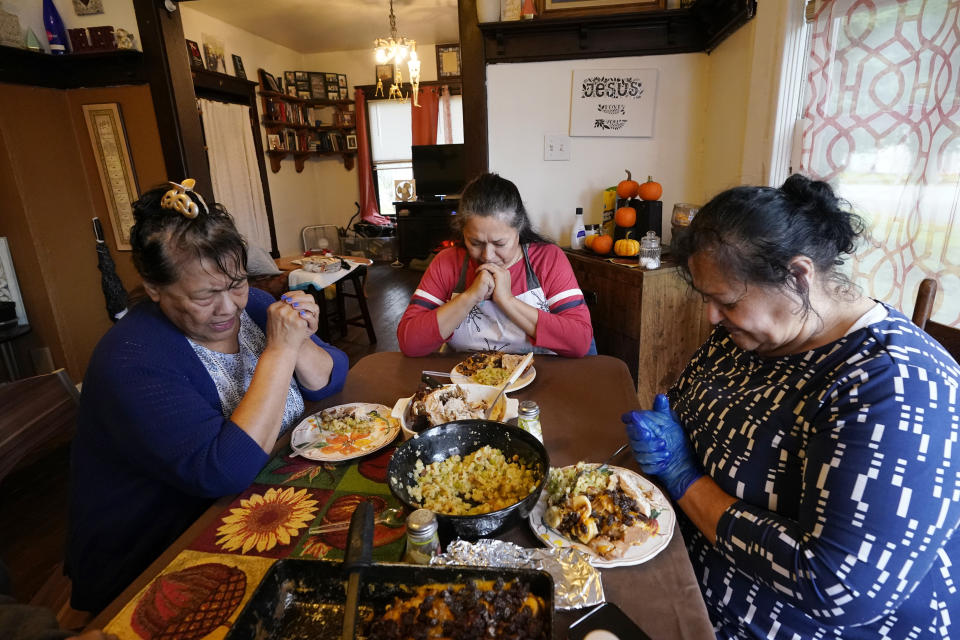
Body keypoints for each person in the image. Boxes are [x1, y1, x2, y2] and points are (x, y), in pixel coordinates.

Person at [622, 174, 960, 639]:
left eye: (726, 301)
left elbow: (835, 587)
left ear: (798, 276)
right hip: (680, 566)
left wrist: (685, 479)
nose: (711, 318)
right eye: (706, 299)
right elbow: (690, 405)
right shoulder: (752, 334)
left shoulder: (894, 385)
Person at [66, 179, 348, 614]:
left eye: (235, 283)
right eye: (204, 295)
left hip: (258, 504)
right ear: (154, 288)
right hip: (158, 558)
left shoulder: (249, 303)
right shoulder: (130, 359)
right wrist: (279, 350)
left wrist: (299, 340)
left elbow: (327, 380)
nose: (230, 307)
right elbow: (224, 470)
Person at [397, 173, 593, 357]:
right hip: (466, 384)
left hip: (539, 380)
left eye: (499, 244)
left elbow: (580, 342)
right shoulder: (448, 262)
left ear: (519, 228)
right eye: (475, 243)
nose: (487, 256)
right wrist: (470, 297)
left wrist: (507, 301)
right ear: (462, 232)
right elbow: (410, 342)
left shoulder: (547, 259)